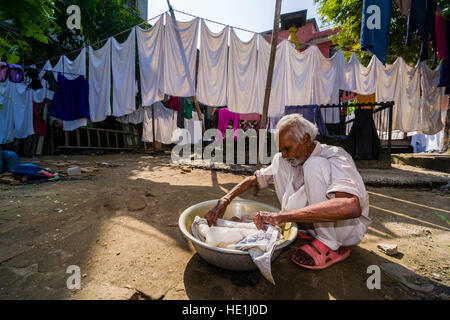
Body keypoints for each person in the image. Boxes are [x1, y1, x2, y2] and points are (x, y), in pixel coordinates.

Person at [205, 114, 371, 270]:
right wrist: (224, 201)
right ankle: (304, 230)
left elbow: (351, 207)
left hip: (347, 230)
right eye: (282, 149)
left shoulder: (335, 156)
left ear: (306, 139)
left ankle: (328, 244)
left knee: (313, 165)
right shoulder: (288, 158)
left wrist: (280, 217)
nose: (284, 154)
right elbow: (254, 179)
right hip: (312, 226)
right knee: (279, 161)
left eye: (287, 148)